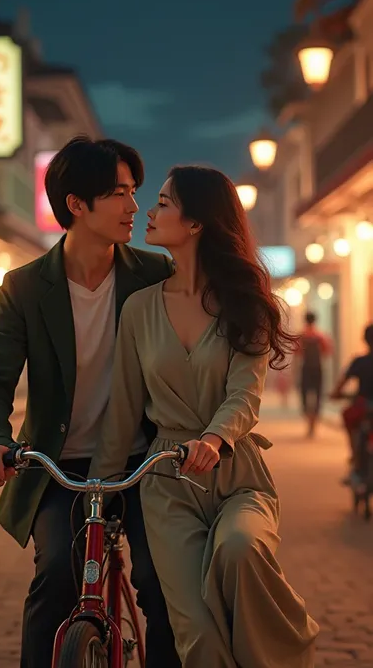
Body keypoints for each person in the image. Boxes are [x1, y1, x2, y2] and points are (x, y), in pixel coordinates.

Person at [89, 165, 319, 668]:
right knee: (194, 628)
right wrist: (98, 490)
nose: (150, 210)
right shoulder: (139, 309)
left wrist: (214, 439)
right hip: (167, 483)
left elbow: (245, 394)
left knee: (240, 548)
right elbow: (125, 408)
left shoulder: (248, 305)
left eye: (165, 203)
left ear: (196, 222)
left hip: (238, 476)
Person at [0, 136, 180, 668]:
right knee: (56, 576)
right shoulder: (24, 287)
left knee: (162, 583)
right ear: (76, 205)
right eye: (117, 193)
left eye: (135, 192)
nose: (134, 207)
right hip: (59, 467)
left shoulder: (155, 276)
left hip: (141, 463)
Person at [331, 323, 373, 481]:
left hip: (362, 406)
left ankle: (355, 456)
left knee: (348, 417)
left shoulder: (359, 361)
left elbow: (341, 384)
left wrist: (336, 394)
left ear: (365, 340)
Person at [294, 311, 332, 438]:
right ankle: (313, 424)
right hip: (318, 368)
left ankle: (309, 423)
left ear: (305, 320)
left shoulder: (301, 335)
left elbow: (297, 352)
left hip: (306, 368)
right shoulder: (321, 336)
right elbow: (327, 351)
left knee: (305, 395)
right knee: (318, 395)